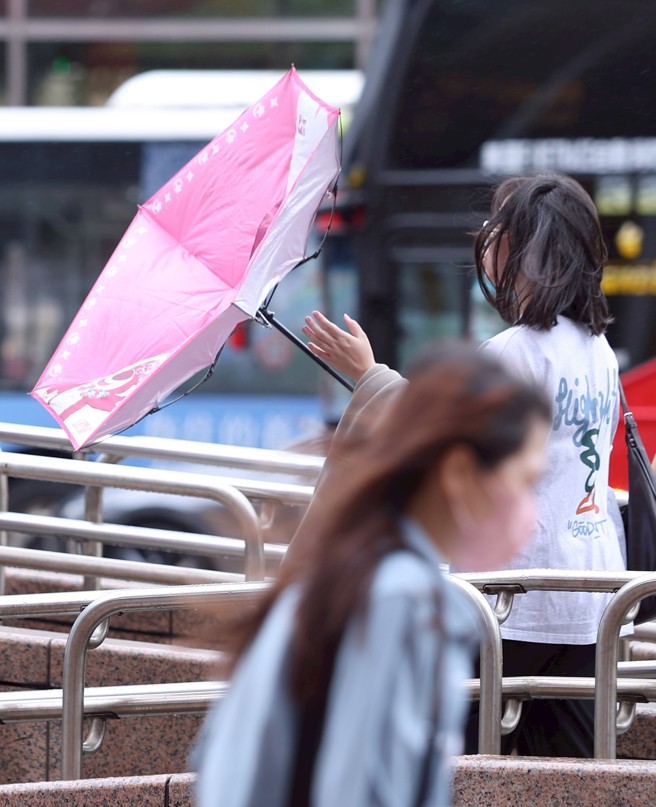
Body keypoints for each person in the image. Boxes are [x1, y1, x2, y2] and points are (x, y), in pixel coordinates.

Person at [297, 173, 628, 759]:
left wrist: (367, 374)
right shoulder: (597, 349)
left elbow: (433, 443)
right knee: (572, 776)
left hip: (507, 600)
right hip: (590, 596)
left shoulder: (513, 354)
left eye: (498, 227)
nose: (486, 236)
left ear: (527, 249)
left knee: (448, 761)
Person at [193, 345, 550, 807]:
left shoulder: (359, 565)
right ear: (460, 471)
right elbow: (357, 788)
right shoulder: (399, 596)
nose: (531, 512)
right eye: (525, 481)